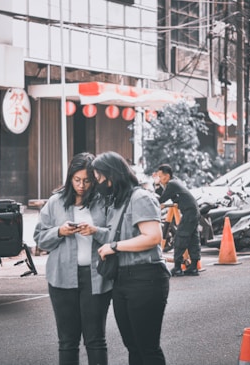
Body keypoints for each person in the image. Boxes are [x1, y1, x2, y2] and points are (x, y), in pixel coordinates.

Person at [34, 152, 112, 365]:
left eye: (87, 180)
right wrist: (59, 231)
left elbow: (116, 235)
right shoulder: (55, 202)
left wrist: (96, 230)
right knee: (67, 341)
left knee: (95, 339)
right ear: (70, 178)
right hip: (61, 278)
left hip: (96, 278)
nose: (81, 185)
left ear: (94, 180)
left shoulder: (103, 202)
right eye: (77, 180)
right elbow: (40, 239)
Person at [94, 151, 170, 365]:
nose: (98, 183)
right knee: (133, 347)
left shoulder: (140, 197)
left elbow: (153, 237)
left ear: (112, 176)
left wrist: (115, 247)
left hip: (145, 278)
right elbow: (115, 235)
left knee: (147, 347)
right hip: (122, 279)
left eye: (99, 178)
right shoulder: (118, 202)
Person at [155, 164, 201, 277]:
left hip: (189, 213)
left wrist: (158, 201)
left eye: (161, 177)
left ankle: (177, 268)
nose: (159, 179)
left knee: (180, 238)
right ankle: (193, 267)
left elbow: (161, 198)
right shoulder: (176, 181)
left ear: (167, 176)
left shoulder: (171, 184)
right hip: (194, 211)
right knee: (193, 239)